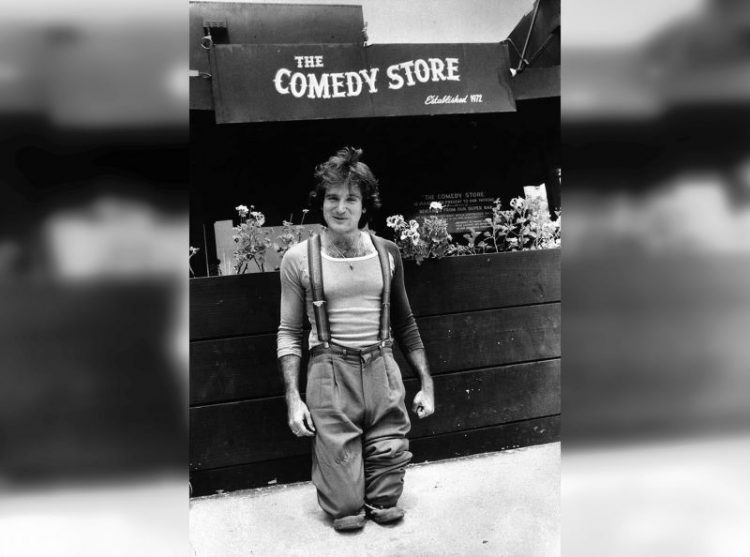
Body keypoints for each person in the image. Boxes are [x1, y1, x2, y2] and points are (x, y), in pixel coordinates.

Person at [277, 147, 435, 531]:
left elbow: (405, 323)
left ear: (365, 205)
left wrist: (426, 383)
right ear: (321, 203)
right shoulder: (298, 258)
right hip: (329, 374)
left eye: (351, 198)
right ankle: (342, 475)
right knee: (345, 510)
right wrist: (293, 398)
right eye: (332, 198)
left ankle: (376, 477)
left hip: (382, 370)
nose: (341, 207)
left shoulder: (387, 252)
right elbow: (289, 333)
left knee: (386, 501)